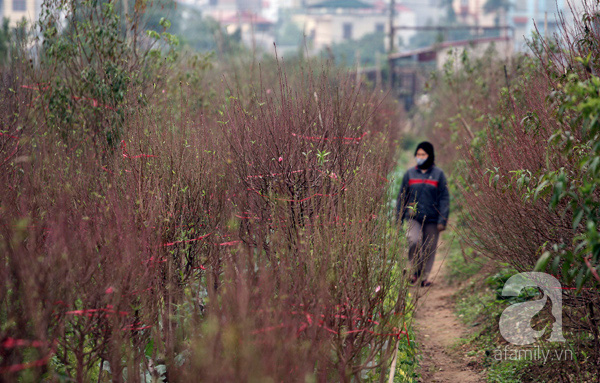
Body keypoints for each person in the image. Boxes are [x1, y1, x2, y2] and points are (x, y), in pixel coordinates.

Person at [396, 141, 450, 287]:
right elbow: (402, 196)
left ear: (429, 155)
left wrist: (442, 219)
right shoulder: (410, 174)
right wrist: (398, 219)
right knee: (413, 241)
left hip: (432, 218)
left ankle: (425, 277)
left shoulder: (438, 174)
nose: (420, 157)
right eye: (418, 154)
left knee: (429, 248)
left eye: (423, 154)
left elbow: (444, 197)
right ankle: (414, 272)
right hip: (414, 217)